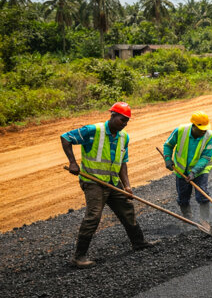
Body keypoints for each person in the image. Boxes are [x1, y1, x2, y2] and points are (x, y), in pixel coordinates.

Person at [60, 102, 158, 268]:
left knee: (127, 210)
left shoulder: (124, 137)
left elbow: (123, 163)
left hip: (112, 182)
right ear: (112, 116)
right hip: (93, 181)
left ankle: (139, 242)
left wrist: (126, 186)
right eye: (122, 119)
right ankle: (79, 257)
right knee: (94, 216)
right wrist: (73, 163)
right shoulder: (93, 130)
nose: (124, 123)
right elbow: (66, 138)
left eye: (127, 121)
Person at [163, 111, 212, 224]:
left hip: (200, 170)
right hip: (181, 170)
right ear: (193, 125)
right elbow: (168, 145)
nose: (204, 131)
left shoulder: (209, 136)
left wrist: (194, 172)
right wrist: (167, 158)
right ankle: (188, 220)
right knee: (183, 198)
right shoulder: (180, 131)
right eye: (201, 129)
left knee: (202, 194)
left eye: (205, 129)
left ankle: (205, 221)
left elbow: (206, 157)